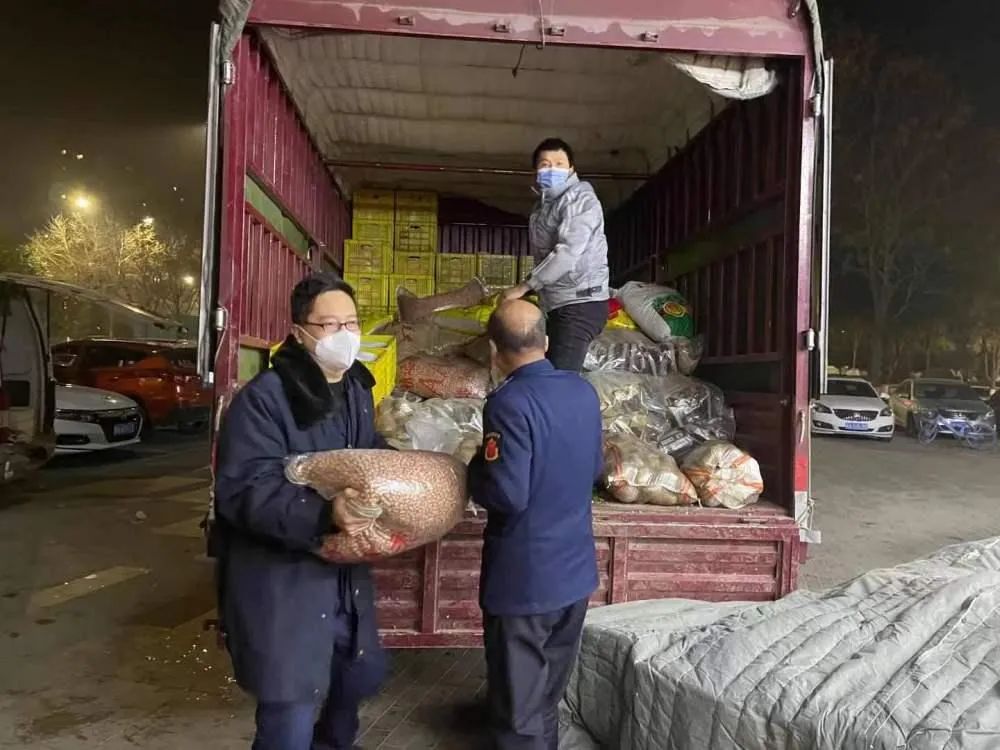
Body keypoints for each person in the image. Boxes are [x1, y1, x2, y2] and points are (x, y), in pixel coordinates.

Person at [211, 273, 390, 750]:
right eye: (329, 325)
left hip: (345, 581)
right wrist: (325, 512)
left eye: (351, 323)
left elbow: (366, 453)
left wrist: (402, 474)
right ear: (299, 332)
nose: (344, 335)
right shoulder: (265, 399)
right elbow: (243, 491)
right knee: (290, 710)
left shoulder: (356, 389)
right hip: (284, 584)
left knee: (349, 692)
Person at [468, 299, 604, 750]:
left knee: (518, 712)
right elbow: (595, 467)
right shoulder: (583, 392)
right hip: (575, 574)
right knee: (545, 698)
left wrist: (473, 472)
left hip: (524, 583)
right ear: (545, 342)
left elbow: (508, 495)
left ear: (494, 351)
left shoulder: (508, 403)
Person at [499, 137, 610, 372]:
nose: (552, 170)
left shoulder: (580, 199)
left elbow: (568, 252)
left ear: (571, 169)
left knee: (560, 377)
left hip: (580, 303)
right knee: (546, 371)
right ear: (536, 171)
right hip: (556, 303)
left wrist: (525, 286)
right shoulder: (542, 207)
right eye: (545, 164)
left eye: (559, 164)